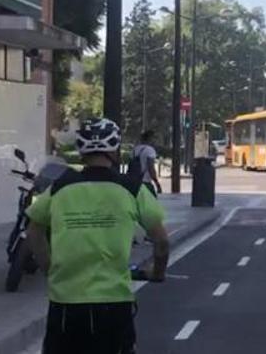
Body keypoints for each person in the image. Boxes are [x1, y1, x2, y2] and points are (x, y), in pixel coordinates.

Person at [27, 118, 170, 354]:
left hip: (65, 303)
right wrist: (157, 272)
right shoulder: (132, 188)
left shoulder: (61, 186)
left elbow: (34, 230)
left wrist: (49, 268)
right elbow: (162, 241)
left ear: (82, 150)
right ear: (114, 150)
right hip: (113, 303)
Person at [131, 130, 161, 194]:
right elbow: (151, 168)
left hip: (135, 183)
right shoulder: (150, 150)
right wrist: (157, 183)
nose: (155, 141)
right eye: (154, 138)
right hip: (145, 182)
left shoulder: (135, 149)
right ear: (150, 138)